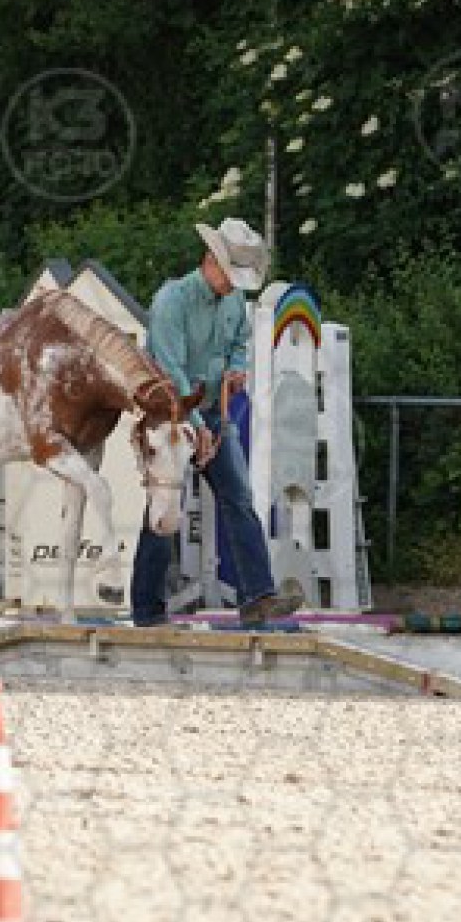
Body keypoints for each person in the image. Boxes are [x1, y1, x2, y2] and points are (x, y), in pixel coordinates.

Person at [131, 217, 303, 627]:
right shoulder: (171, 301)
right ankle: (147, 609)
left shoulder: (233, 302)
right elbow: (170, 373)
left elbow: (239, 343)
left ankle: (257, 597)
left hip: (209, 411)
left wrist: (237, 367)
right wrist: (198, 426)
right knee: (166, 503)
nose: (232, 285)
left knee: (238, 497)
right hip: (170, 416)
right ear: (210, 260)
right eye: (229, 274)